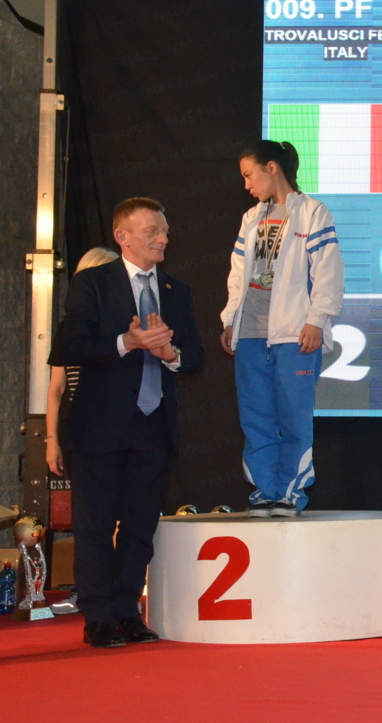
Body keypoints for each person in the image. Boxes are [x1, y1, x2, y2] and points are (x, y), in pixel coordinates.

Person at [60, 198, 204, 647]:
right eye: (152, 232)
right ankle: (98, 617)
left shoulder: (177, 290)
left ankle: (127, 612)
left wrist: (169, 353)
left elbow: (195, 358)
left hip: (153, 427)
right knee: (95, 526)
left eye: (165, 231)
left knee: (140, 528)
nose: (163, 239)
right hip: (98, 427)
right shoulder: (92, 283)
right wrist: (127, 341)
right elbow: (68, 347)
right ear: (122, 237)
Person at [221, 140, 343, 518]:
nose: (246, 185)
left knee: (293, 416)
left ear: (272, 167)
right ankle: (264, 492)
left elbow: (328, 271)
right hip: (251, 332)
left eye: (249, 175)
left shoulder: (312, 212)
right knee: (256, 417)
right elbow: (238, 274)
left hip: (294, 333)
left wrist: (316, 319)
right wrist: (230, 319)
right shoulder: (251, 218)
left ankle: (289, 493)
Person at [46, 245, 120, 616]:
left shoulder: (126, 325)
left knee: (124, 516)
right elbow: (56, 388)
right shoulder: (69, 329)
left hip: (123, 432)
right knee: (90, 520)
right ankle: (88, 592)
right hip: (83, 435)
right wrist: (51, 441)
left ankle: (121, 593)